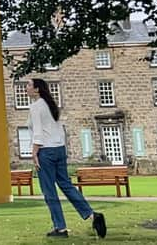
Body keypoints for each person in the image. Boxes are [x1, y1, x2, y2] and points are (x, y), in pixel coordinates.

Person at [26, 78, 107, 238]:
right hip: (59, 149)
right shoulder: (51, 105)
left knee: (49, 191)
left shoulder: (36, 107)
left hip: (46, 152)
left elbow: (38, 134)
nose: (26, 88)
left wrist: (34, 153)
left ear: (37, 89)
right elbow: (58, 130)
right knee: (66, 185)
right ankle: (92, 215)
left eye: (28, 85)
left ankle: (60, 228)